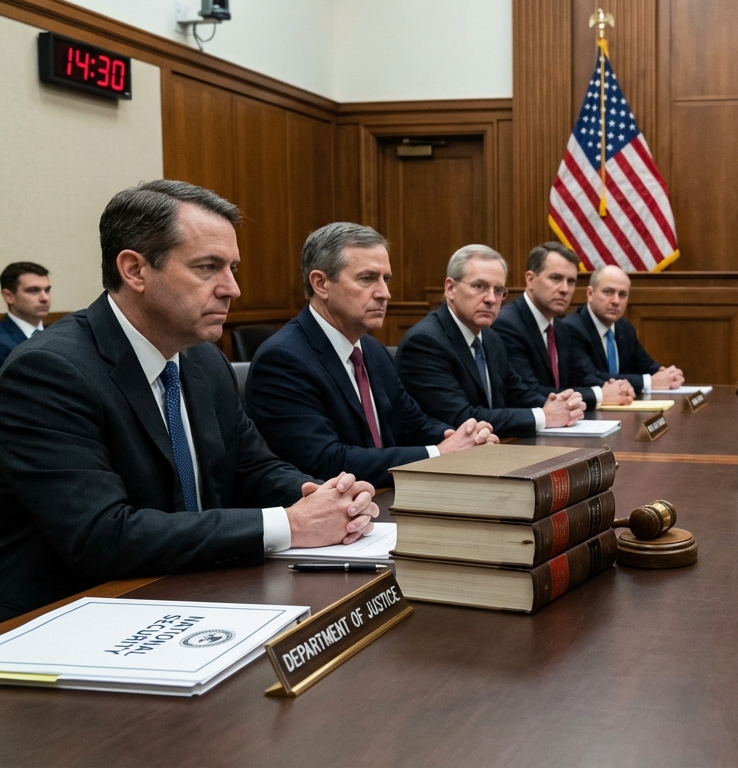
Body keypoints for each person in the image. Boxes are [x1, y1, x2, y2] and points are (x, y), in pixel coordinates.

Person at [0, 180, 379, 621]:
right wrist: (292, 525)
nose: (232, 288)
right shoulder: (50, 371)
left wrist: (329, 499)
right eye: (208, 267)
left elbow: (253, 468)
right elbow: (102, 536)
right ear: (135, 270)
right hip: (76, 613)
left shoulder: (202, 359)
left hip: (195, 588)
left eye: (233, 268)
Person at [245, 223, 497, 489]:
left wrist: (464, 438)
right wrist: (439, 453)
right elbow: (325, 460)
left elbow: (411, 423)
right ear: (321, 284)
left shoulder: (373, 350)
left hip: (382, 497)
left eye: (385, 279)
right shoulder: (283, 359)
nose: (385, 293)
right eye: (367, 278)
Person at [397, 244, 586, 438]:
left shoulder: (489, 337)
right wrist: (544, 416)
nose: (491, 299)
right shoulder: (425, 343)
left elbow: (517, 392)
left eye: (498, 290)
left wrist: (559, 405)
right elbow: (462, 418)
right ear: (450, 288)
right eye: (479, 286)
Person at [492, 242, 634, 407]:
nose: (565, 289)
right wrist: (599, 394)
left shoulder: (560, 327)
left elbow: (580, 376)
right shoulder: (507, 324)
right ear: (530, 280)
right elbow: (528, 391)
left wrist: (617, 386)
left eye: (571, 281)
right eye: (555, 278)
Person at [563, 264, 685, 396]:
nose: (616, 301)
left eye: (622, 295)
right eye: (608, 292)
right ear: (590, 293)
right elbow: (588, 378)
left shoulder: (624, 327)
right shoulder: (572, 328)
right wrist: (648, 382)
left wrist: (668, 375)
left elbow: (646, 366)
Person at [0, 261, 51, 366]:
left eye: (47, 290)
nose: (45, 298)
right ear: (8, 296)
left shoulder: (58, 332)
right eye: (33, 290)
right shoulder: (2, 341)